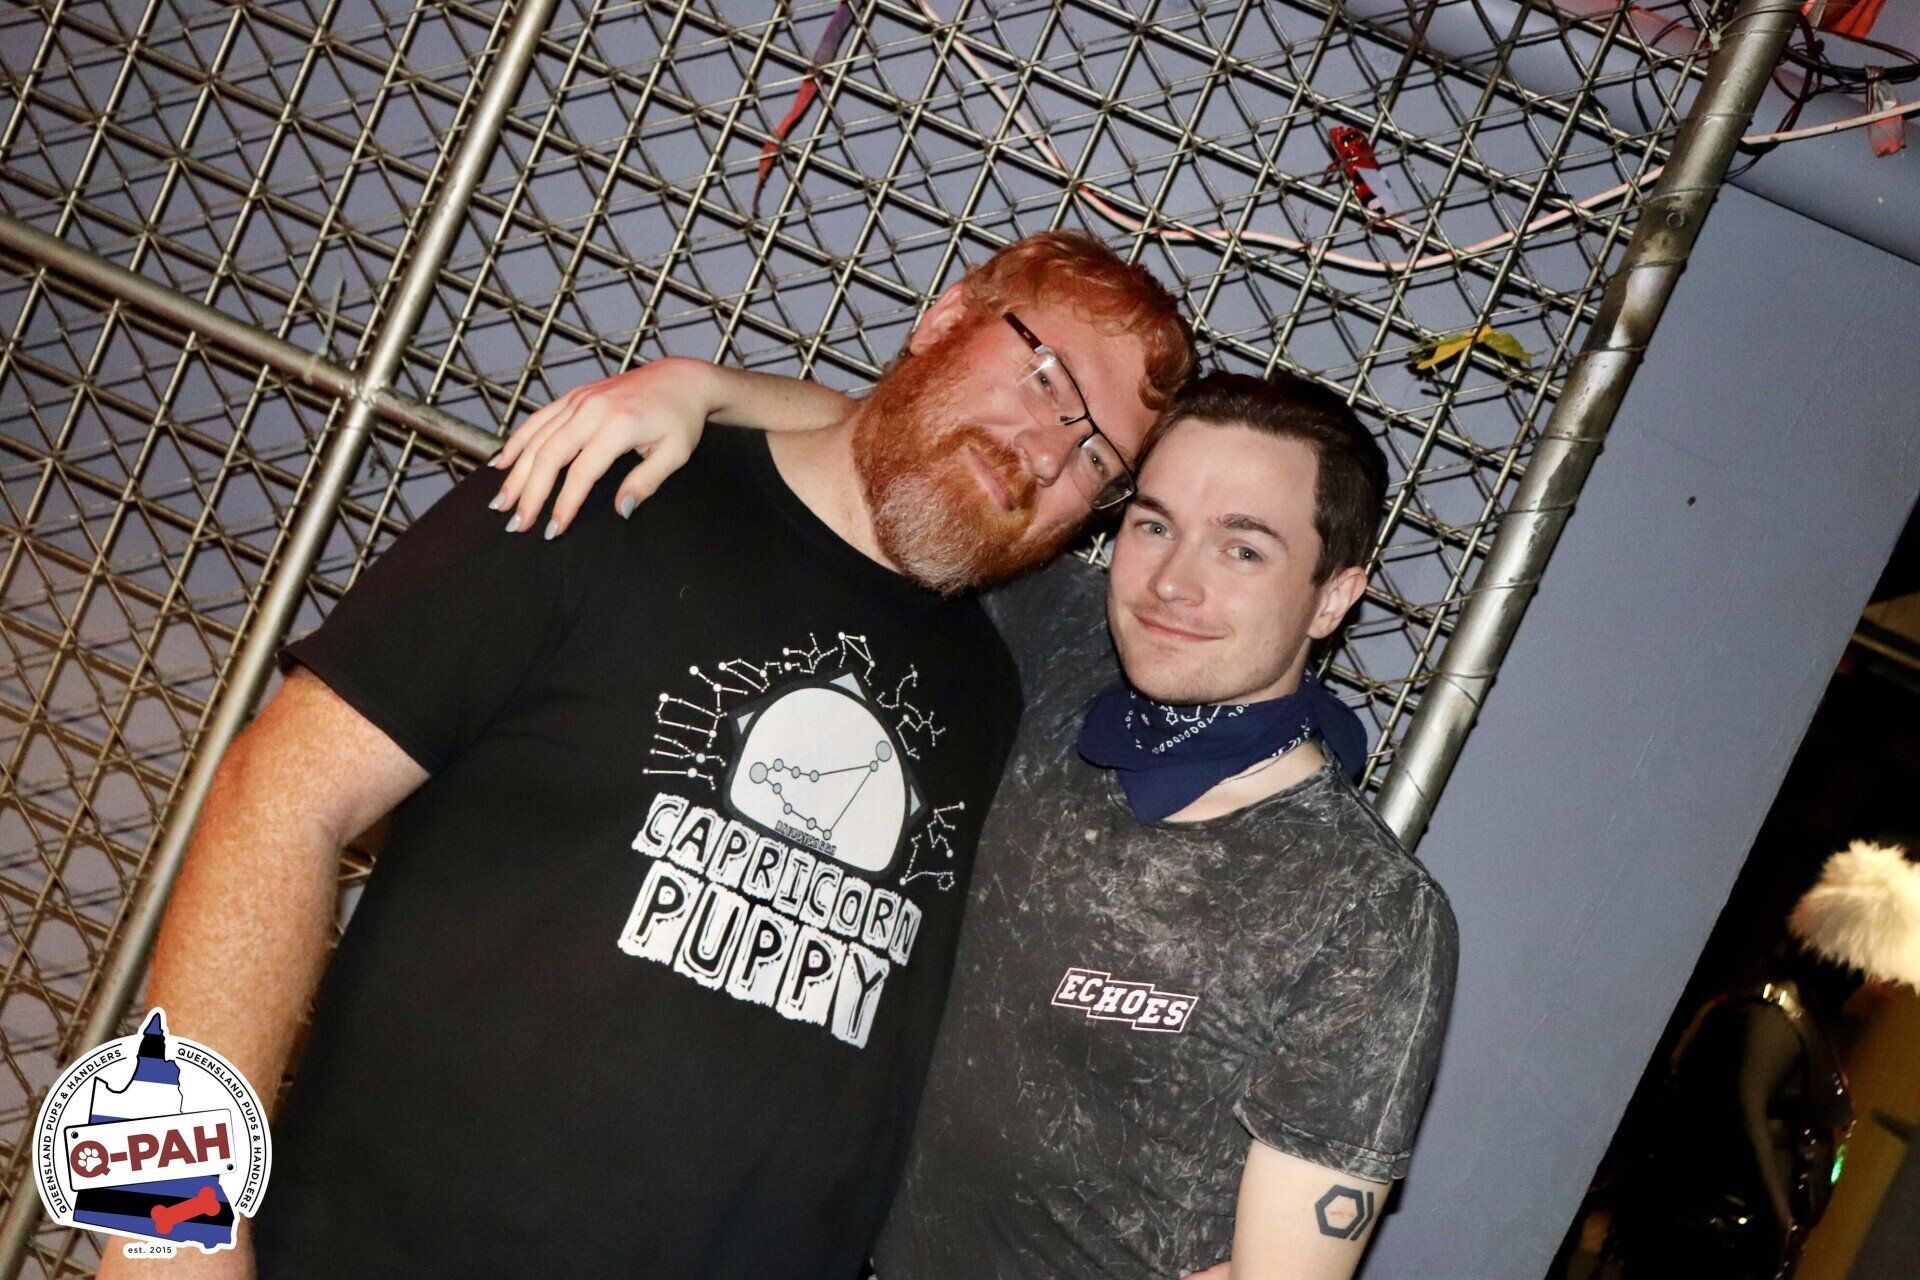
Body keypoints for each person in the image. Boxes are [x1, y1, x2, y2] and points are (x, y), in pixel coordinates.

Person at [104, 229, 1194, 1280]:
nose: (1046, 451)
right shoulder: (610, 491)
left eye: (1096, 456)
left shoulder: (994, 687)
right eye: (1046, 379)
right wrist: (163, 1224)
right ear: (946, 317)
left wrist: (712, 382)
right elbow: (272, 799)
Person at [494, 361, 1459, 1279]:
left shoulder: (1364, 909)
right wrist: (696, 386)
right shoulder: (1066, 643)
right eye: (1154, 524)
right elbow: (893, 451)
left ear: (1333, 597)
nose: (1174, 582)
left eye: (1244, 549)